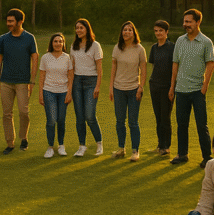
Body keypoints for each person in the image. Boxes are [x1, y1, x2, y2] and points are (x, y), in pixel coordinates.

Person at [169, 9, 214, 168]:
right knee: (181, 124)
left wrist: (204, 86)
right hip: (181, 90)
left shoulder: (206, 42)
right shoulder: (180, 41)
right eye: (185, 22)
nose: (185, 25)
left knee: (201, 124)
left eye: (189, 22)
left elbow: (211, 63)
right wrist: (172, 87)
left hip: (197, 91)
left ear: (198, 22)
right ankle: (182, 154)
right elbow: (175, 64)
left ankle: (207, 157)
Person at [0, 8, 38, 155]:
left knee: (24, 112)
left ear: (20, 22)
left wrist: (32, 81)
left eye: (11, 21)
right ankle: (10, 143)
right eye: (7, 21)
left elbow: (35, 58)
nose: (8, 24)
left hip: (23, 82)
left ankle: (23, 138)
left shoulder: (29, 38)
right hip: (6, 81)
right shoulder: (3, 39)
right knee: (7, 113)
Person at [109, 21, 147, 162]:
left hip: (133, 90)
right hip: (118, 89)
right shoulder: (117, 48)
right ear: (121, 33)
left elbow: (143, 69)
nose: (126, 32)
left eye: (129, 30)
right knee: (120, 121)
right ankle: (121, 149)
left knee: (133, 122)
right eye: (124, 30)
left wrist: (140, 87)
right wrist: (111, 88)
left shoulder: (139, 49)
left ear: (133, 32)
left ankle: (135, 151)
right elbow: (113, 69)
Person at [70, 18, 104, 157]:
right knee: (79, 117)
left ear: (87, 29)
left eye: (81, 28)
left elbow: (100, 68)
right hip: (77, 82)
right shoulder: (74, 46)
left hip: (91, 82)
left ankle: (99, 144)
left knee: (89, 116)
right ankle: (82, 146)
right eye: (77, 28)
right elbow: (71, 68)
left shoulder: (95, 45)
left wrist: (97, 86)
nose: (78, 30)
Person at [38, 33, 73, 158]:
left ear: (63, 44)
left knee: (61, 120)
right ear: (51, 43)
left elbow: (70, 77)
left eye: (60, 41)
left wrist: (69, 93)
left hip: (63, 92)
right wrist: (40, 94)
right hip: (49, 92)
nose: (58, 44)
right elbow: (42, 76)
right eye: (55, 41)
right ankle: (50, 147)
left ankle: (61, 145)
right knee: (51, 120)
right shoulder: (45, 57)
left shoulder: (68, 58)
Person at [149, 20, 174, 156]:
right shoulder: (154, 48)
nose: (158, 33)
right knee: (158, 117)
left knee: (165, 117)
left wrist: (172, 87)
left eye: (161, 31)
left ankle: (166, 146)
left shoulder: (172, 47)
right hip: (155, 86)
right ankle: (160, 145)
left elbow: (175, 68)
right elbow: (153, 66)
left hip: (167, 88)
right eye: (156, 31)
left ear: (166, 32)